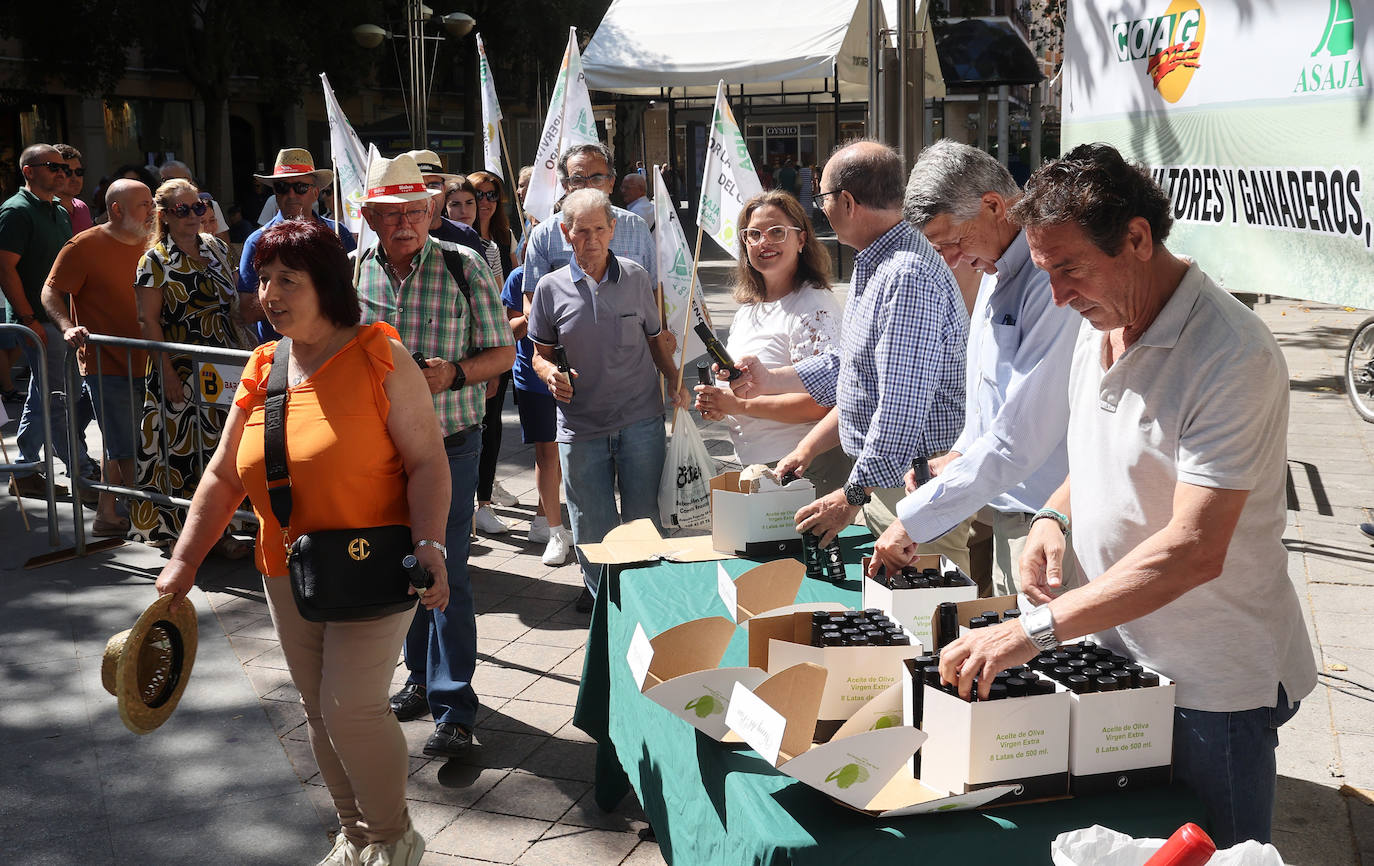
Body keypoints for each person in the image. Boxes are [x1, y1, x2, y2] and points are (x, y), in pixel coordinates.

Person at [938, 143, 1318, 848]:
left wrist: (1033, 632)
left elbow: (1195, 550)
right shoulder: (1102, 322)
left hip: (1212, 688)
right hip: (1117, 658)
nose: (1056, 295)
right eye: (1045, 271)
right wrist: (1055, 513)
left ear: (1137, 239)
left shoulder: (1233, 355)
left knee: (1214, 856)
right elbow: (1105, 457)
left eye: (1070, 268)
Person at [154, 219, 444, 866]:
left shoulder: (380, 354)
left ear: (328, 284)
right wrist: (183, 562)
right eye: (262, 278)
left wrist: (431, 545)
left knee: (351, 708)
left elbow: (428, 462)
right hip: (286, 567)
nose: (269, 293)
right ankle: (356, 836)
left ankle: (395, 838)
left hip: (375, 564)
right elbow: (226, 474)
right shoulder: (263, 364)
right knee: (317, 711)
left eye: (288, 278)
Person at [739, 141, 970, 570]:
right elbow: (853, 367)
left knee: (925, 625)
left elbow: (900, 406)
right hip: (892, 481)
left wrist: (852, 494)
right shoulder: (879, 262)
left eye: (821, 196)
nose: (820, 207)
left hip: (913, 483)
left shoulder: (905, 275)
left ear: (846, 201)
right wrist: (771, 377)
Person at [868, 140, 1083, 597]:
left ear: (993, 206)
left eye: (953, 241)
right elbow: (988, 403)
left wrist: (915, 519)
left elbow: (1020, 433)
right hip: (1009, 507)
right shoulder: (994, 270)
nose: (950, 259)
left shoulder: (1050, 283)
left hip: (1055, 520)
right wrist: (958, 454)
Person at [354, 154, 515, 758]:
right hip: (380, 450)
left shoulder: (463, 263)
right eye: (393, 215)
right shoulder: (354, 273)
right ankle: (419, 679)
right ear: (369, 217)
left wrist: (453, 375)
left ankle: (455, 706)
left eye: (417, 213)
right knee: (402, 566)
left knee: (445, 569)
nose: (407, 225)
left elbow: (502, 354)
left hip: (451, 445)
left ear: (431, 213)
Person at [527, 188, 688, 613]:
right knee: (591, 528)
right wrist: (550, 375)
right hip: (580, 429)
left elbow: (656, 342)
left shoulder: (636, 278)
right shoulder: (548, 288)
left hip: (640, 421)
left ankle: (645, 602)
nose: (592, 239)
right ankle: (606, 609)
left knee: (643, 520)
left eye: (600, 229)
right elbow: (537, 354)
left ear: (613, 230)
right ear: (566, 233)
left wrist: (675, 381)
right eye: (582, 231)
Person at [692, 190, 849, 493]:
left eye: (777, 232)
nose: (764, 242)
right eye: (754, 234)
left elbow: (821, 404)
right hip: (758, 464)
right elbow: (746, 394)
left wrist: (737, 405)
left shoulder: (813, 305)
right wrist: (721, 406)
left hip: (805, 465)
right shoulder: (749, 309)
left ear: (801, 239)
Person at [130, 178, 250, 555]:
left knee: (222, 448)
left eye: (199, 207)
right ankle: (185, 535)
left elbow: (235, 302)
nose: (194, 216)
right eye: (182, 210)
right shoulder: (154, 260)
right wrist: (165, 373)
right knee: (181, 452)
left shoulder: (216, 247)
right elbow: (149, 322)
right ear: (163, 215)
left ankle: (224, 530)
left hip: (223, 361)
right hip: (179, 365)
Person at [41, 179, 155, 536]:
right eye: (143, 204)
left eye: (152, 202)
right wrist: (65, 326)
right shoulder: (84, 245)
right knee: (127, 445)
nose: (152, 210)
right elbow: (51, 290)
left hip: (151, 362)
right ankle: (154, 519)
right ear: (117, 209)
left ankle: (107, 513)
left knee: (118, 439)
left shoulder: (153, 242)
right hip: (107, 364)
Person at [0, 143, 82, 499]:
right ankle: (64, 467)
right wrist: (27, 317)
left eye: (66, 168)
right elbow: (5, 268)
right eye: (53, 166)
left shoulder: (59, 211)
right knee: (53, 396)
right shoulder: (16, 211)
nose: (62, 173)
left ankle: (31, 467)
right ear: (29, 171)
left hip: (63, 320)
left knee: (55, 394)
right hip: (40, 322)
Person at [238, 149, 355, 344]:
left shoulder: (337, 233)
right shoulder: (257, 241)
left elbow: (355, 290)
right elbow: (246, 311)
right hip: (279, 356)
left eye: (300, 187)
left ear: (315, 192)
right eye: (282, 187)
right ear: (275, 193)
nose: (291, 194)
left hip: (333, 349)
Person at [500, 263, 573, 564]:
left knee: (562, 451)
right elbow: (506, 333)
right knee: (547, 451)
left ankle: (544, 519)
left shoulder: (576, 273)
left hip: (571, 374)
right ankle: (552, 529)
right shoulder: (520, 277)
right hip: (533, 378)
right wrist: (531, 317)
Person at [521, 142, 655, 298]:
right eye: (577, 180)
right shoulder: (544, 235)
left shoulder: (636, 227)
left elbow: (655, 291)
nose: (588, 187)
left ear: (611, 183)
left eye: (597, 178)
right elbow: (532, 302)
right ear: (565, 186)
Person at [466, 170, 521, 533]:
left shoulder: (500, 240)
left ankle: (484, 495)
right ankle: (472, 494)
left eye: (491, 195)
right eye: (476, 195)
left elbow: (507, 292)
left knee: (491, 420)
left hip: (492, 342)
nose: (484, 202)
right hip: (459, 346)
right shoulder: (453, 241)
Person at [403, 150, 488, 259]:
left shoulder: (466, 235)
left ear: (444, 189)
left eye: (434, 186)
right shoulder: (397, 238)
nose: (428, 194)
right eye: (419, 186)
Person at [54, 144, 92, 233]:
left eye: (79, 172)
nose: (75, 178)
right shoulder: (45, 211)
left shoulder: (82, 207)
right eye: (67, 172)